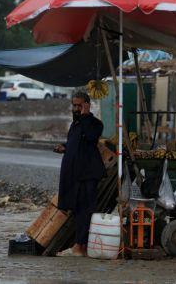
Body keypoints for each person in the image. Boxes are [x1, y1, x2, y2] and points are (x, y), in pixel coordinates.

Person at [54, 91, 105, 256]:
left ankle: (79, 246)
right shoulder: (74, 126)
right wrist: (65, 147)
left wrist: (85, 115)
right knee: (77, 210)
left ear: (87, 105)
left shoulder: (95, 124)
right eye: (74, 105)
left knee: (85, 211)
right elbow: (75, 145)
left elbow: (91, 137)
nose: (76, 109)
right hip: (75, 175)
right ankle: (80, 246)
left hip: (88, 175)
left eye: (79, 105)